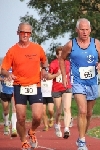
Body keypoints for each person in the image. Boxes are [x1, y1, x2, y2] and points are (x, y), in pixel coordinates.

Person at [59, 18, 100, 150]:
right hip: (78, 82)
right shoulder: (70, 45)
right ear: (77, 30)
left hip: (92, 82)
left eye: (86, 29)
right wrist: (64, 76)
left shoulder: (96, 43)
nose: (84, 32)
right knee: (82, 110)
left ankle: (81, 137)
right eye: (82, 29)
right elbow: (62, 59)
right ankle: (82, 143)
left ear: (90, 30)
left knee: (89, 113)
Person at [1, 22, 48, 150]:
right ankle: (23, 141)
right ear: (18, 33)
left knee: (38, 116)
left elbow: (44, 61)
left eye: (28, 33)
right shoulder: (12, 50)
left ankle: (32, 131)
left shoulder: (37, 48)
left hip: (35, 85)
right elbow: (3, 69)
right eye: (22, 32)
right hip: (19, 86)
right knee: (21, 117)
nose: (25, 35)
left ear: (31, 34)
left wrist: (44, 69)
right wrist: (7, 74)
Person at [48, 46, 72, 139]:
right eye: (60, 54)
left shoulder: (68, 63)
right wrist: (56, 74)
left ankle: (66, 129)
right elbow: (48, 77)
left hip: (67, 87)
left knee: (67, 108)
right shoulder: (53, 64)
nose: (62, 56)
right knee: (58, 111)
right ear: (57, 55)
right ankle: (57, 125)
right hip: (56, 89)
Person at [0, 68, 17, 137]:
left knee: (14, 109)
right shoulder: (3, 68)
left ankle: (14, 129)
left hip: (13, 91)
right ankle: (6, 124)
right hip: (4, 91)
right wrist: (3, 79)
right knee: (6, 111)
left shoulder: (16, 67)